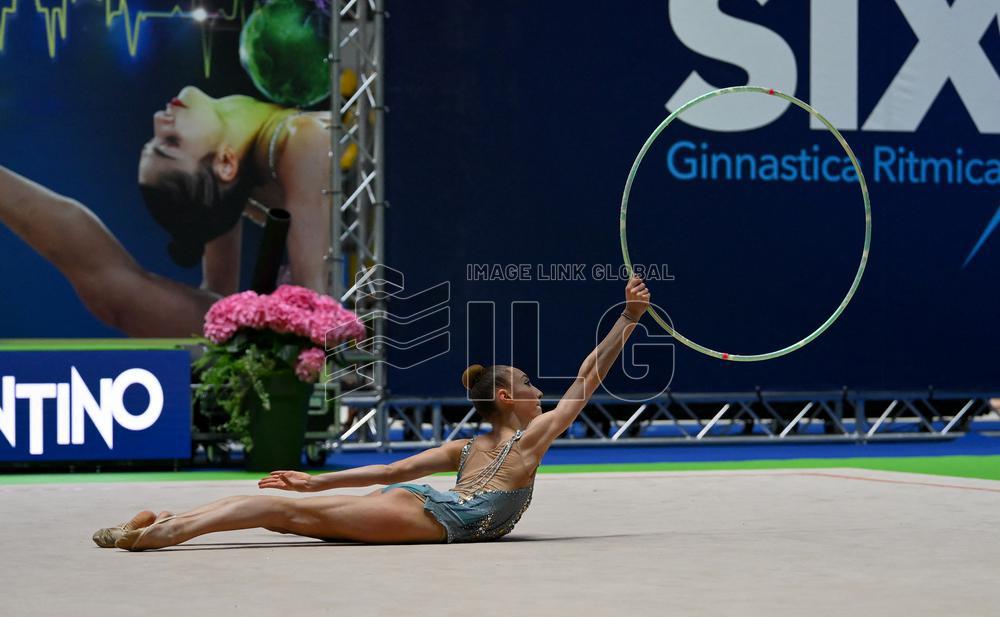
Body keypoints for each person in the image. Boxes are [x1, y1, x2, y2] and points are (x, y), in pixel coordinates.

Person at [91, 276, 652, 550]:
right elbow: (588, 379)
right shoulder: (523, 444)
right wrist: (628, 319)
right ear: (506, 398)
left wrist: (318, 483)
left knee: (285, 510)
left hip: (418, 507)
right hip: (429, 516)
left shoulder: (475, 447)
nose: (538, 391)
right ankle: (162, 535)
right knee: (287, 513)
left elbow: (391, 474)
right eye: (529, 385)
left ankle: (166, 519)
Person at [0, 86, 335, 337]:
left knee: (121, 296)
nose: (160, 118)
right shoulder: (282, 152)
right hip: (328, 323)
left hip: (350, 315)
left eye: (164, 140)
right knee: (120, 293)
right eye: (172, 141)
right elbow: (225, 300)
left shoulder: (297, 142)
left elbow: (318, 309)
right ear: (225, 163)